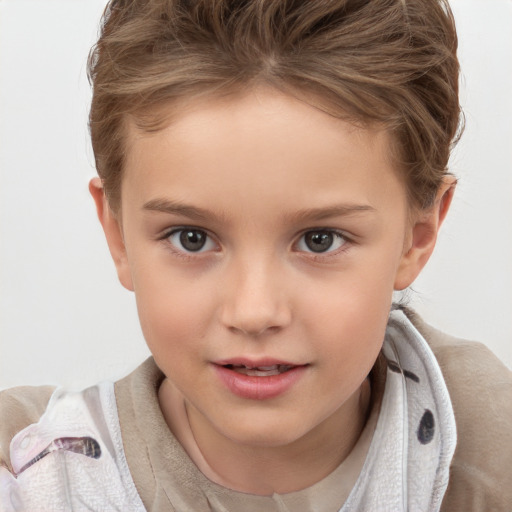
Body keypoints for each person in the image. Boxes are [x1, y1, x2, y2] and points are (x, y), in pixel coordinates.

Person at [1, 0, 511, 510]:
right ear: (118, 233)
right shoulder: (36, 473)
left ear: (417, 234)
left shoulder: (488, 445)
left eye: (320, 240)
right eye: (191, 238)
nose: (254, 311)